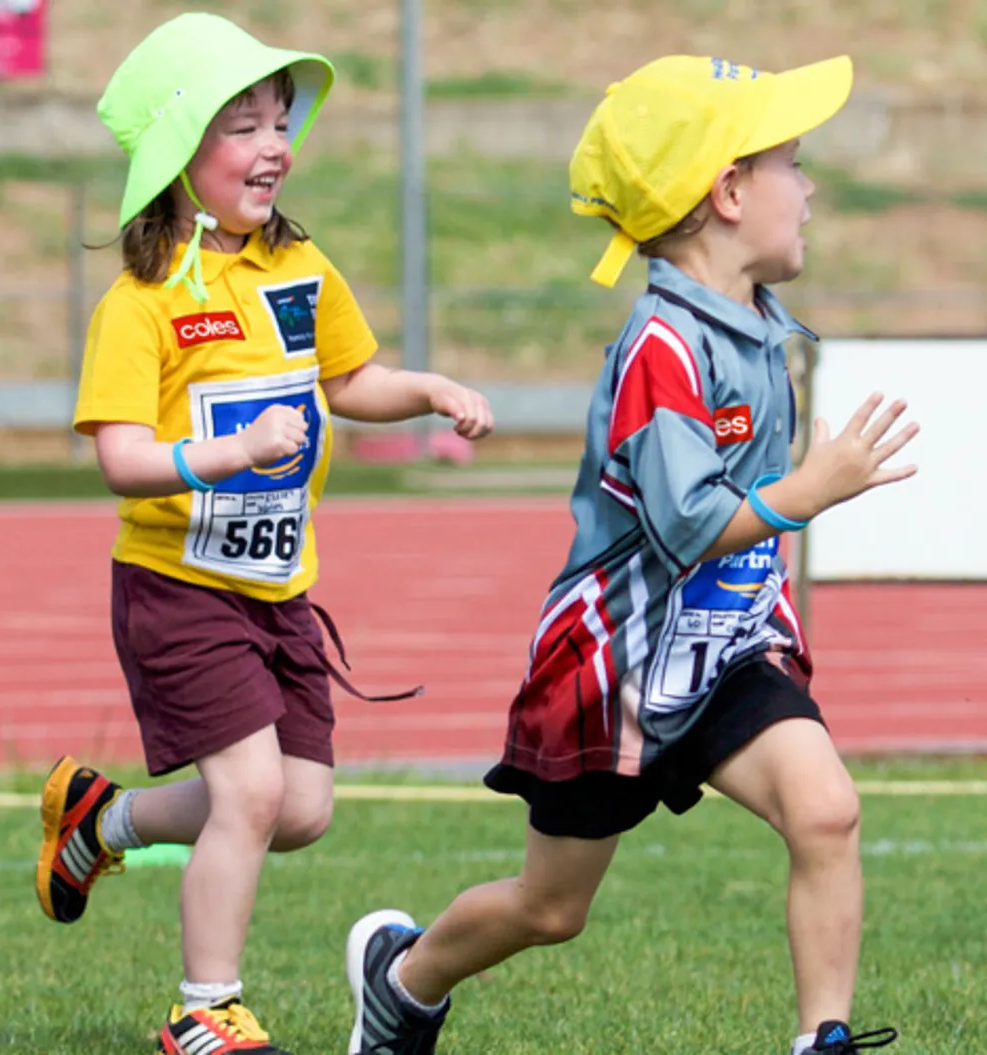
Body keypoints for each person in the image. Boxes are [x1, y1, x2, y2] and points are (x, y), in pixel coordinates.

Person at [344, 55, 910, 1055]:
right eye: (790, 161)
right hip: (614, 669)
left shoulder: (757, 328)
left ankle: (819, 1036)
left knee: (825, 809)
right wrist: (803, 492)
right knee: (551, 907)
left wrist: (785, 507)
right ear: (726, 193)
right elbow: (686, 522)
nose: (808, 184)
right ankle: (402, 975)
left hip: (726, 643)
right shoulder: (660, 346)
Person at [32, 14, 492, 1055]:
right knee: (247, 790)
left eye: (279, 122)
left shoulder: (296, 264)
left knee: (300, 808)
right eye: (240, 125)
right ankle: (204, 1006)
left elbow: (346, 379)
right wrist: (224, 456)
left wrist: (422, 389)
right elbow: (118, 457)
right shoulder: (139, 301)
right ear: (177, 156)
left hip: (279, 585)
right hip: (175, 584)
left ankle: (101, 821)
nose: (273, 145)